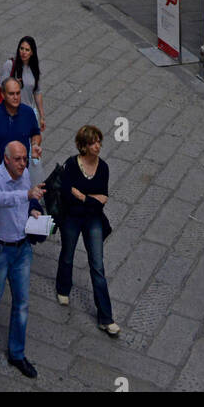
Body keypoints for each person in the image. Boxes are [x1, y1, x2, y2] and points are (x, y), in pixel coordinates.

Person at [0, 141, 45, 377]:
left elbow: (33, 190)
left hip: (21, 247)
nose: (22, 164)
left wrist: (32, 208)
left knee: (22, 302)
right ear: (6, 159)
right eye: (18, 159)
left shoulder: (25, 172)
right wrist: (26, 194)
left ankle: (17, 353)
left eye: (24, 159)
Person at [55, 125, 119, 334]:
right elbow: (65, 192)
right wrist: (90, 199)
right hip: (72, 218)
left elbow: (102, 199)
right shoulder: (72, 165)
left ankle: (105, 317)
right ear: (83, 146)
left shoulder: (104, 168)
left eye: (99, 141)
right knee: (67, 255)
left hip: (93, 219)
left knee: (97, 266)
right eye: (93, 143)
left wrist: (82, 197)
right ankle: (63, 287)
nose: (97, 146)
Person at [0, 77, 42, 186]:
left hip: (20, 174)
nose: (15, 97)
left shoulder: (28, 113)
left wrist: (35, 144)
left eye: (18, 93)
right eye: (11, 94)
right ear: (3, 95)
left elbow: (35, 133)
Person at [0, 37, 45, 137]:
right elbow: (2, 87)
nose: (23, 52)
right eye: (21, 48)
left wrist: (42, 116)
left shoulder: (34, 69)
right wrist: (14, 84)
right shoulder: (10, 65)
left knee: (28, 145)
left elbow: (37, 92)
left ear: (32, 52)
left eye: (27, 50)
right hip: (12, 113)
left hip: (29, 112)